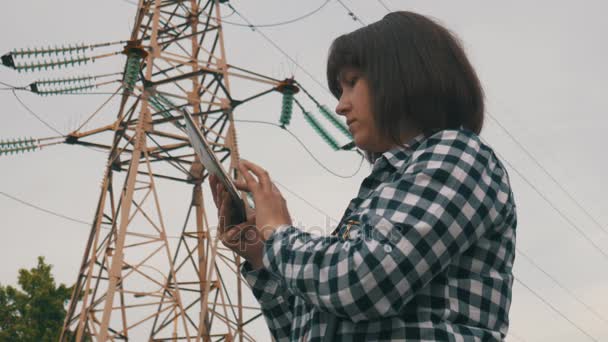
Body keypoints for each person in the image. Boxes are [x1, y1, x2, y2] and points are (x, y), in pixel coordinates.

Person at [209, 10, 517, 342]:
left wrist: (277, 233)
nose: (340, 106)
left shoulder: (457, 155)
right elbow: (306, 331)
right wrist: (261, 255)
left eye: (352, 83)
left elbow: (364, 283)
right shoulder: (383, 189)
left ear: (405, 76)